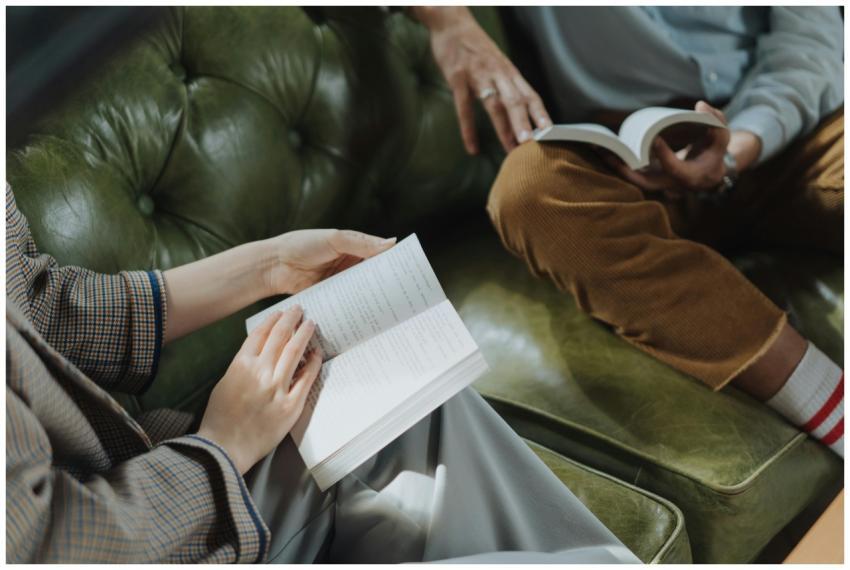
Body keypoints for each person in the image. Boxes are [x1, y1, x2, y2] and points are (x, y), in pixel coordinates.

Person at [5, 182, 638, 563]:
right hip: (140, 532)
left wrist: (270, 267)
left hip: (149, 473)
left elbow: (35, 305)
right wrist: (222, 444)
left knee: (401, 396)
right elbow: (42, 550)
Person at [416, 6, 844, 457]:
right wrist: (447, 20)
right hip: (626, 167)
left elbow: (812, 44)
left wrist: (739, 146)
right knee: (529, 190)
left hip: (785, 133)